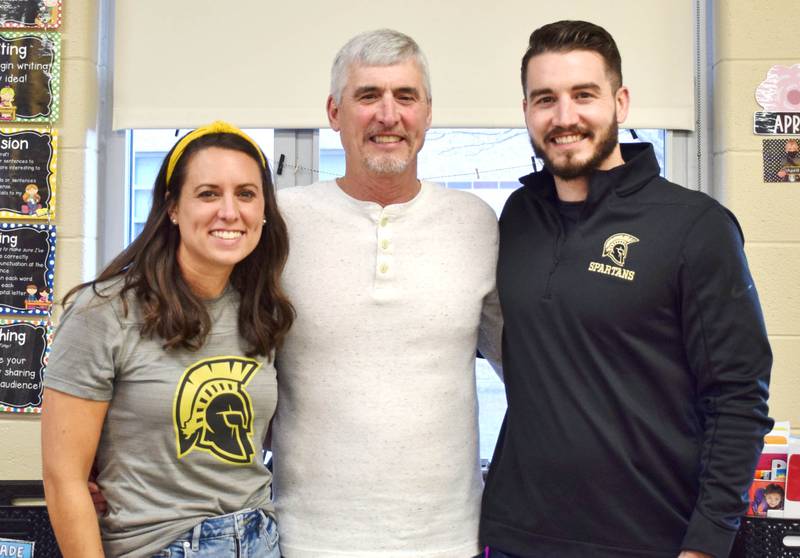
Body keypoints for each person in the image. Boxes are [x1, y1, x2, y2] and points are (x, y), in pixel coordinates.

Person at [480, 20, 772, 558]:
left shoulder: (695, 226)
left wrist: (707, 543)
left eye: (583, 95)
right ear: (526, 110)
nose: (564, 117)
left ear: (621, 101)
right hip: (519, 536)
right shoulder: (518, 218)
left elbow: (738, 399)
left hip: (651, 540)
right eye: (545, 98)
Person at [271, 29, 502, 557]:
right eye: (368, 95)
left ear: (427, 112)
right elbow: (213, 355)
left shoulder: (476, 223)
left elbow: (538, 376)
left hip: (448, 541)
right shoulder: (282, 223)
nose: (388, 115)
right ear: (334, 111)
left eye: (405, 96)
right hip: (303, 540)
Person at [41, 121, 294, 557]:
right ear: (172, 207)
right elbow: (64, 479)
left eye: (246, 194)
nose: (230, 212)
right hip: (158, 545)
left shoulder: (261, 309)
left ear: (264, 210)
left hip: (259, 539)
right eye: (208, 193)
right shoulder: (103, 312)